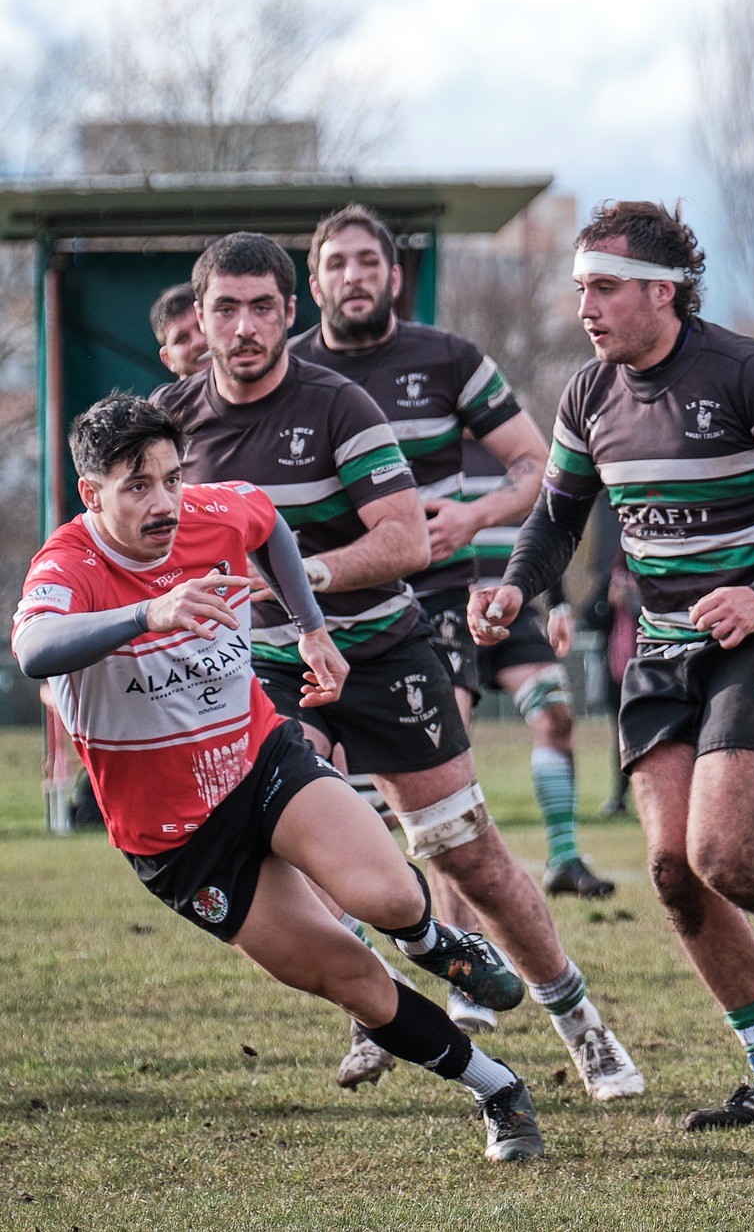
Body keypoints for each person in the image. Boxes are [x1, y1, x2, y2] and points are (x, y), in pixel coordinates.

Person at [471, 200, 754, 1129]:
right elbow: (559, 515)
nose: (586, 309)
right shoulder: (587, 395)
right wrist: (520, 590)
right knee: (674, 871)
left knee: (726, 853)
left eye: (604, 289)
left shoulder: (750, 373)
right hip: (663, 650)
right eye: (580, 291)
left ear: (665, 292)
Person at [153, 230, 644, 1104]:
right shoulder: (174, 423)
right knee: (295, 840)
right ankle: (380, 993)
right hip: (263, 667)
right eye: (224, 308)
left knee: (466, 848)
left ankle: (584, 1025)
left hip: (383, 648)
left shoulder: (339, 404)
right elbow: (136, 542)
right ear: (200, 318)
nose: (243, 326)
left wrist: (298, 578)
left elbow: (408, 539)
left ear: (287, 311)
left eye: (262, 306)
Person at [13, 393, 543, 1161]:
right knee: (353, 981)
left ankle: (436, 941)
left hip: (259, 762)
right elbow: (35, 648)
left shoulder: (208, 512)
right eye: (137, 485)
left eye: (171, 476)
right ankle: (499, 1089)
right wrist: (148, 615)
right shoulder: (68, 565)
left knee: (389, 895)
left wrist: (313, 629)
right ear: (92, 493)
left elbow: (270, 526)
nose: (164, 501)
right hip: (181, 843)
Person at [293, 206, 614, 901]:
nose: (354, 276)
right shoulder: (289, 373)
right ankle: (383, 954)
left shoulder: (449, 358)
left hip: (436, 601)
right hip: (322, 613)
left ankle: (470, 966)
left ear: (394, 277)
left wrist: (475, 515)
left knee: (444, 797)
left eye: (368, 262)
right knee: (335, 795)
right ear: (315, 285)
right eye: (337, 264)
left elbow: (539, 467)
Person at [458, 438, 615, 896]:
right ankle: (461, 871)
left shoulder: (519, 453)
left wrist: (558, 605)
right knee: (450, 749)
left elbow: (547, 528)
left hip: (513, 609)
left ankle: (564, 859)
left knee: (556, 716)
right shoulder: (423, 446)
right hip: (445, 614)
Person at [151, 283, 209, 378]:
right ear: (168, 359)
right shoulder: (164, 393)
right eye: (182, 339)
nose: (199, 342)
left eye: (203, 326)